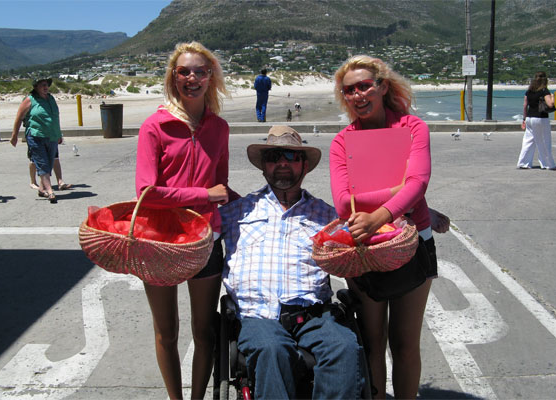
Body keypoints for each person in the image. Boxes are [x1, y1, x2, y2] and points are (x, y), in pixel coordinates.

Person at [221, 126, 364, 400]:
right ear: (264, 166)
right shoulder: (237, 211)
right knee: (271, 349)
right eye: (275, 156)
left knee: (344, 347)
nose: (283, 162)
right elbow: (195, 225)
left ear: (305, 166)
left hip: (314, 314)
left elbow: (367, 227)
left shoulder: (329, 216)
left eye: (291, 155)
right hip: (258, 315)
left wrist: (417, 211)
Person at [331, 55, 438, 399]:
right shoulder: (342, 141)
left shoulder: (412, 127)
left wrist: (379, 214)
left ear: (383, 86)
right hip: (364, 246)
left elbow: (418, 182)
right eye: (350, 90)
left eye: (365, 86)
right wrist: (397, 190)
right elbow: (342, 203)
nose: (358, 95)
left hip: (413, 242)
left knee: (405, 344)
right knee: (372, 342)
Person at [135, 41, 236, 400]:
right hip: (160, 239)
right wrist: (203, 196)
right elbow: (147, 192)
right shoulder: (155, 127)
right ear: (173, 78)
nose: (191, 78)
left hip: (205, 239)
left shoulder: (219, 128)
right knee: (167, 332)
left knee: (204, 330)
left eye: (200, 71)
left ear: (211, 78)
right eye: (184, 72)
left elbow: (222, 187)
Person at [11, 78, 63, 203]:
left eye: (47, 85)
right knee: (42, 163)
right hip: (35, 136)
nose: (46, 87)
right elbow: (19, 117)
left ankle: (41, 189)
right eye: (42, 85)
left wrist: (59, 134)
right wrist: (14, 135)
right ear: (36, 87)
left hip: (52, 136)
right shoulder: (30, 100)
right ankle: (50, 191)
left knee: (49, 163)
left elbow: (55, 117)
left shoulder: (51, 99)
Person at [517, 71, 556, 170]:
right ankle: (547, 163)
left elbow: (525, 106)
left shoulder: (529, 91)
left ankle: (523, 162)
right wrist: (553, 97)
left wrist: (524, 119)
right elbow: (550, 104)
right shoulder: (544, 91)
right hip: (541, 118)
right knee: (544, 141)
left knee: (528, 141)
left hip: (529, 118)